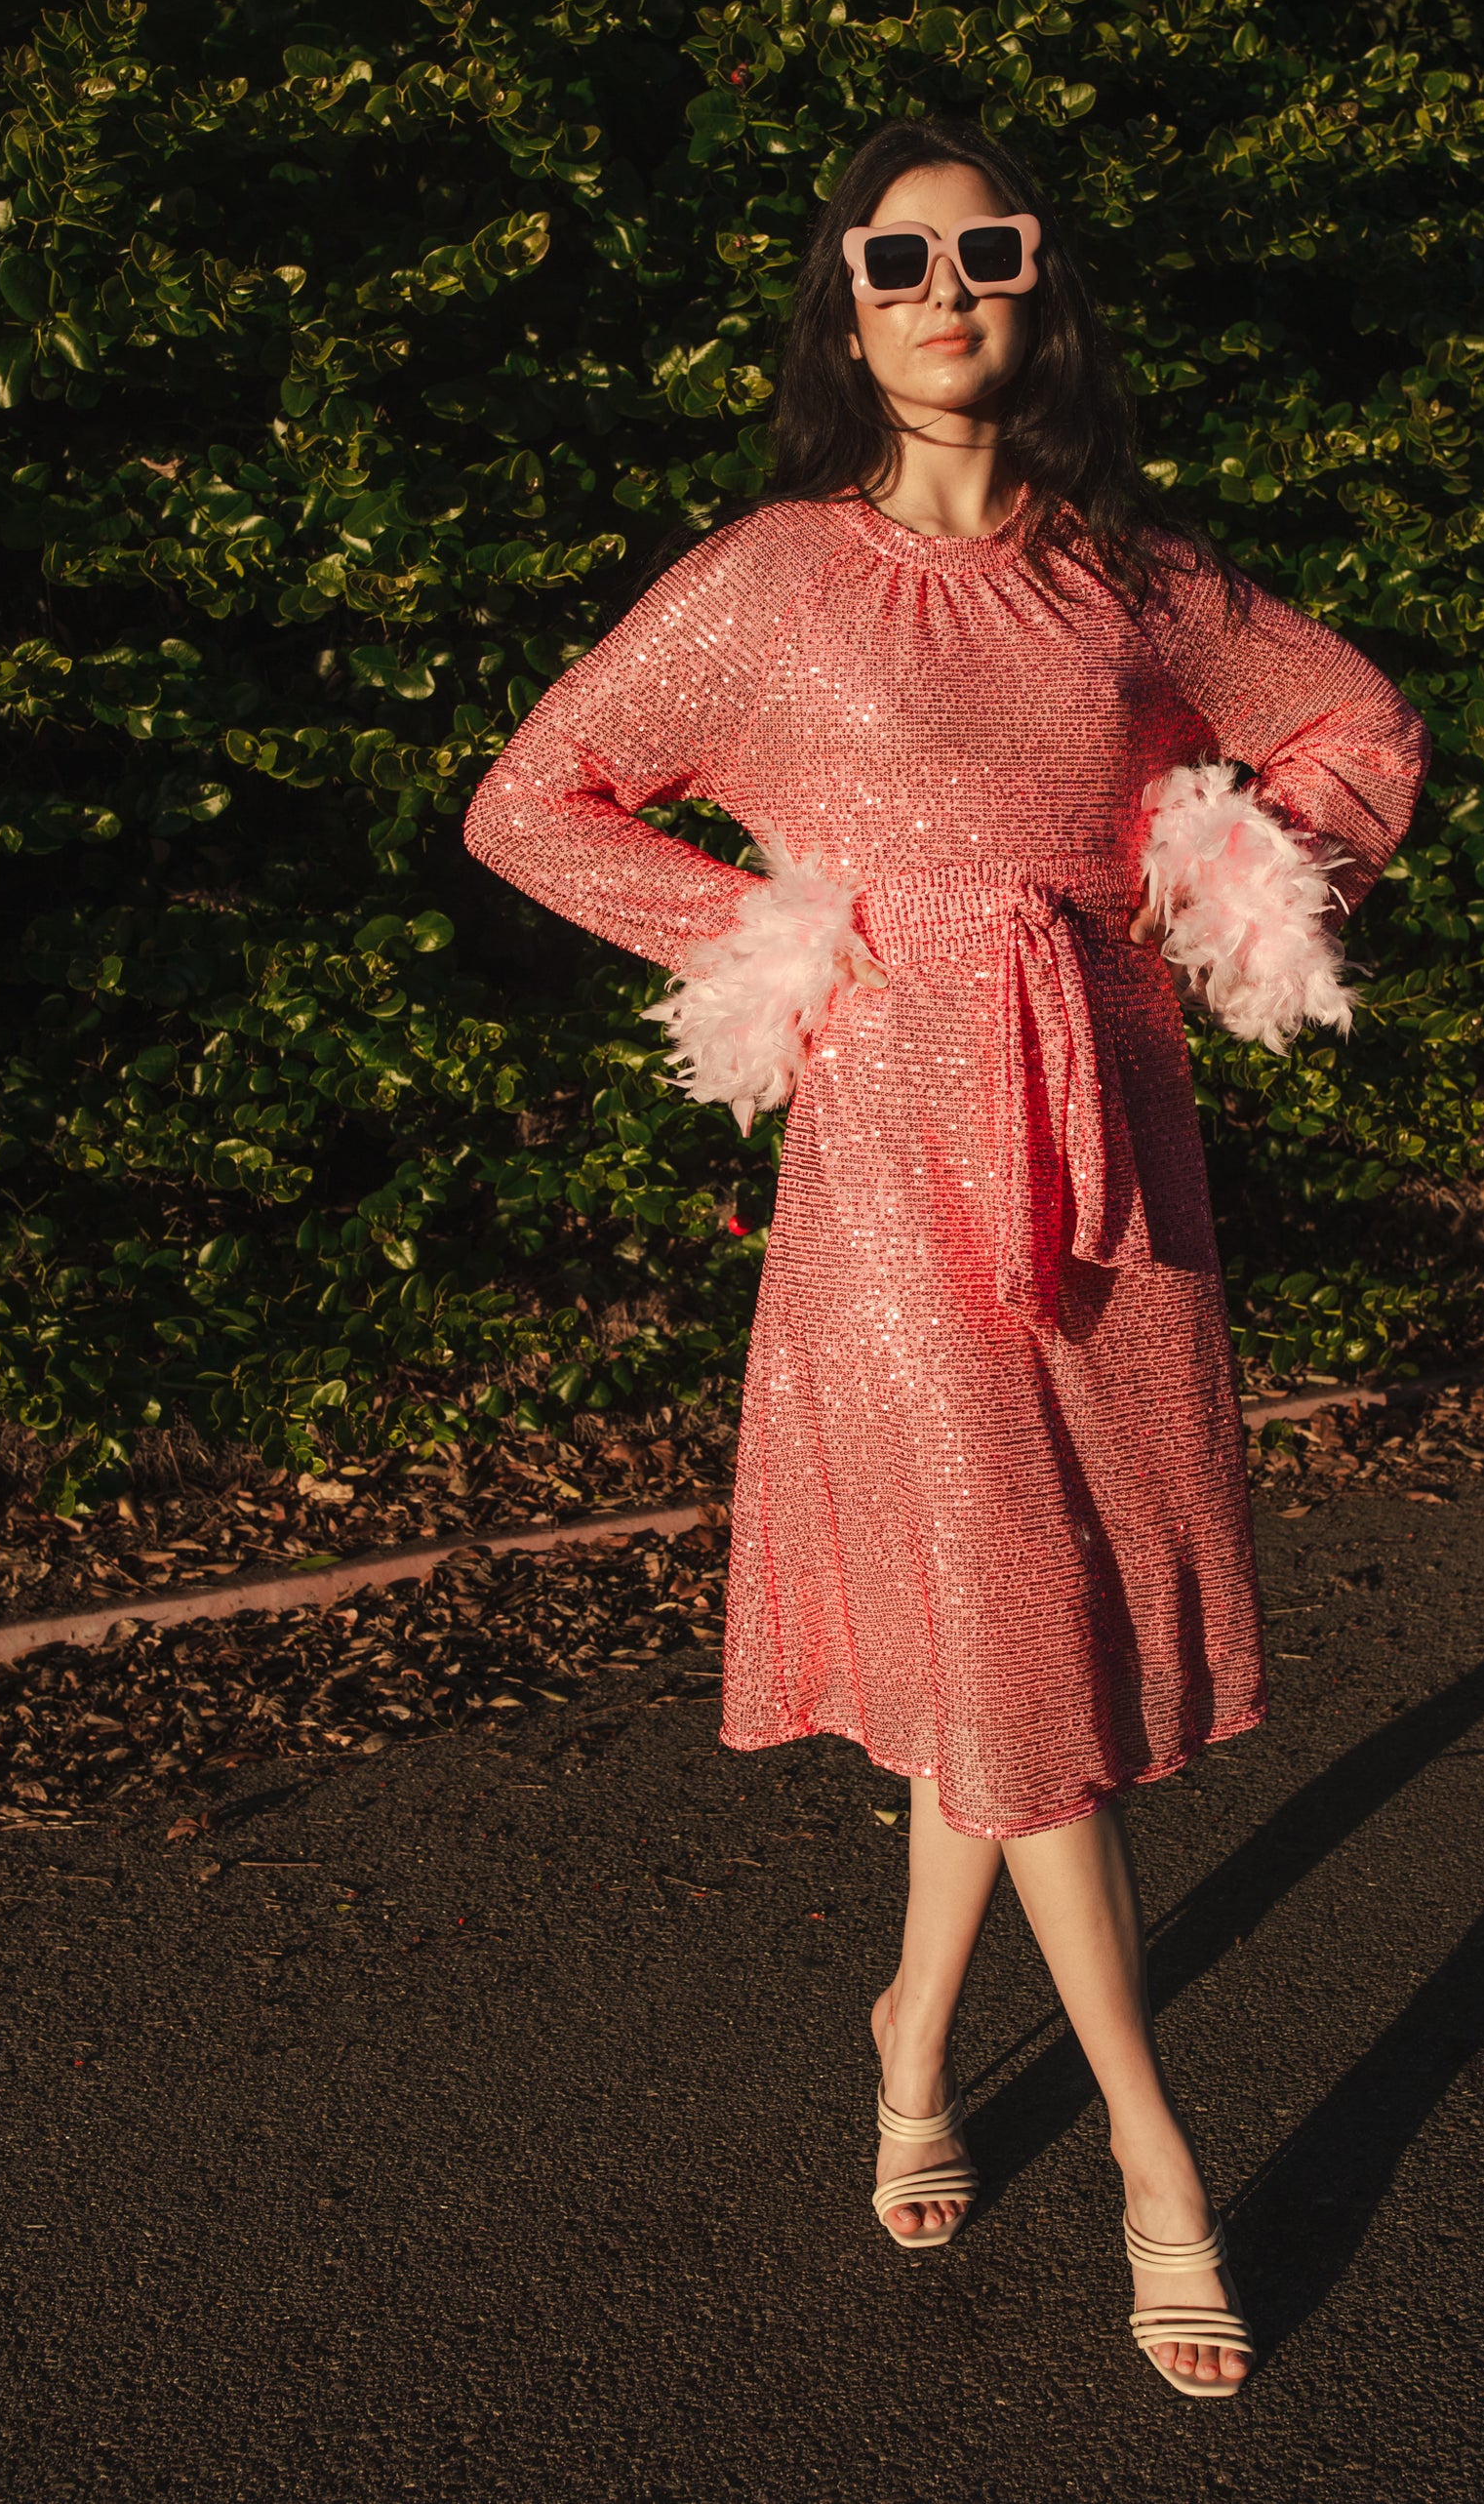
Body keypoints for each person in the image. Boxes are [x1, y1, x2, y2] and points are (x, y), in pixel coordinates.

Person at [465, 117, 1427, 2397]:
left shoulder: (1141, 585)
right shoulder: (764, 580)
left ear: (1039, 292)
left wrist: (1230, 881)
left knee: (1033, 1630)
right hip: (890, 1180)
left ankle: (913, 2027)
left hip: (1113, 1160)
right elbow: (531, 798)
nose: (942, 283)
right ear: (844, 305)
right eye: (893, 258)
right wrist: (790, 942)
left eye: (985, 249)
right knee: (1008, 1621)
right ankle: (1158, 2160)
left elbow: (1352, 718)